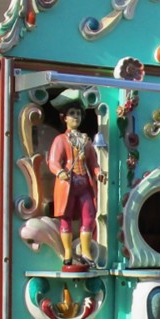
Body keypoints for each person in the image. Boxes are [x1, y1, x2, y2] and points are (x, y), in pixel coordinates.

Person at [47, 105, 104, 270]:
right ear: (64, 118)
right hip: (67, 185)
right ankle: (67, 253)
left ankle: (85, 251)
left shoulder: (86, 140)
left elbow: (93, 162)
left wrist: (98, 172)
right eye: (72, 114)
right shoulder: (60, 140)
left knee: (89, 216)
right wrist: (60, 172)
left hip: (84, 184)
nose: (76, 117)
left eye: (78, 114)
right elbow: (53, 161)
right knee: (66, 217)